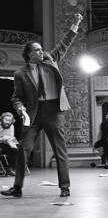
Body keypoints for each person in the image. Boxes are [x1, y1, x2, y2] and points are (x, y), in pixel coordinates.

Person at [1, 13, 83, 198]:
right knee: (23, 149)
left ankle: (65, 186)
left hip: (53, 110)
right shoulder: (20, 73)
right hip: (32, 113)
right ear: (29, 54)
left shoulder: (50, 59)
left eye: (41, 49)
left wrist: (75, 24)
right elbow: (16, 97)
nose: (41, 52)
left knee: (60, 150)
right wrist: (20, 109)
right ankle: (17, 188)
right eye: (37, 50)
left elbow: (64, 43)